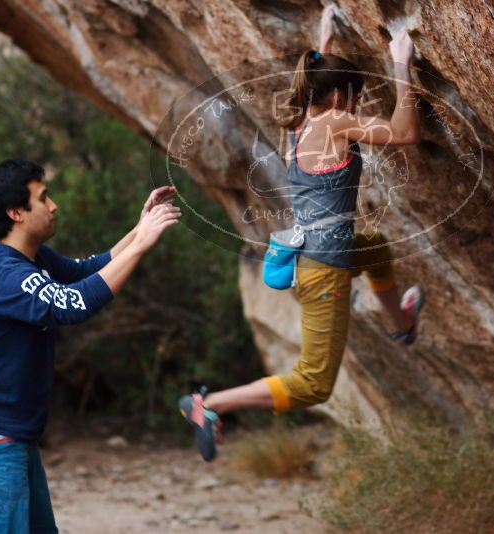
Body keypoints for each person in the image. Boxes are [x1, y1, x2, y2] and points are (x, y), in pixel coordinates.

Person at [179, 6, 424, 462]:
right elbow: (405, 132)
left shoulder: (296, 122)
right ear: (338, 100)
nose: (356, 107)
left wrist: (324, 39)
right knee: (313, 383)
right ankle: (207, 405)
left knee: (375, 249)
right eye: (354, 98)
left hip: (318, 254)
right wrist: (399, 63)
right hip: (323, 273)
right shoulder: (334, 122)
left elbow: (313, 77)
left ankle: (403, 323)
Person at [0, 159, 180, 533]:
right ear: (16, 213)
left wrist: (139, 230)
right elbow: (73, 304)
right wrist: (142, 245)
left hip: (10, 434)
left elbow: (88, 272)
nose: (54, 206)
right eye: (43, 197)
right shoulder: (6, 275)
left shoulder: (30, 258)